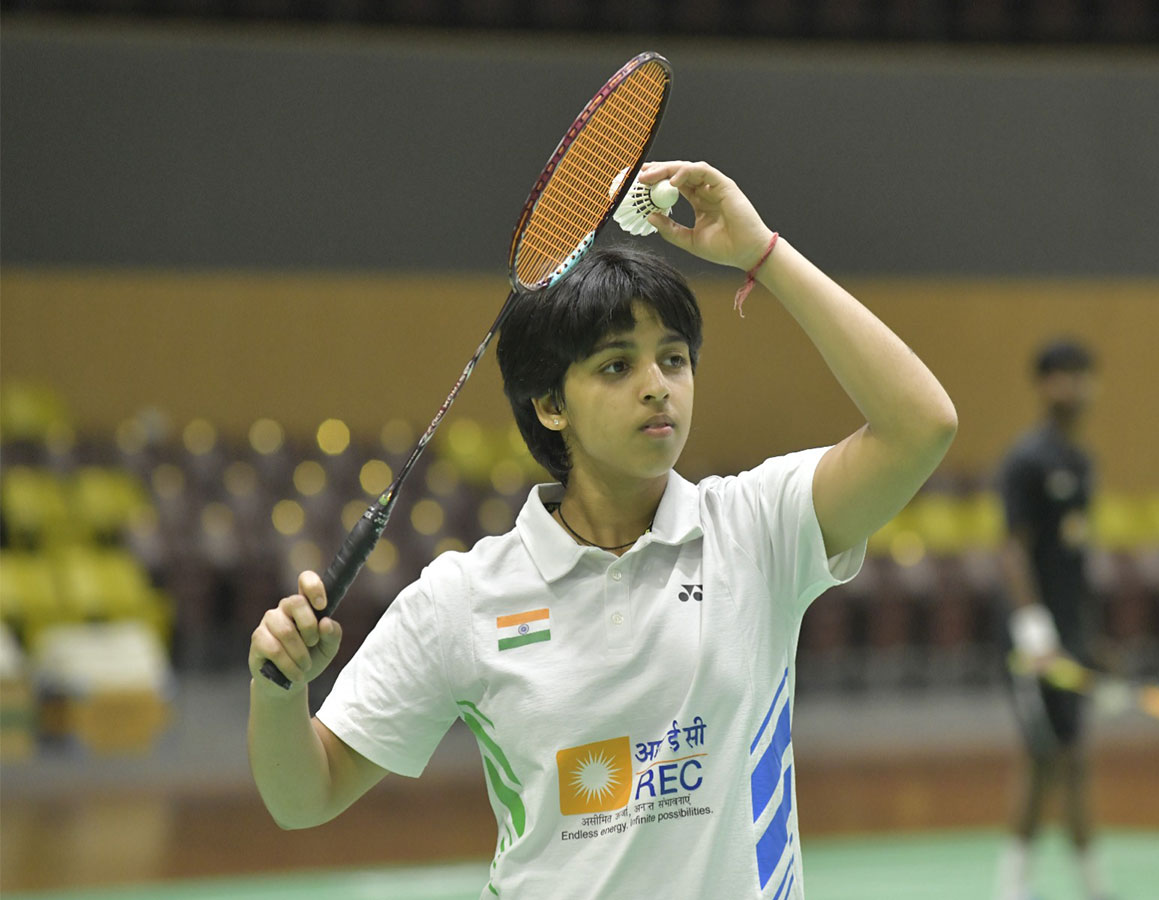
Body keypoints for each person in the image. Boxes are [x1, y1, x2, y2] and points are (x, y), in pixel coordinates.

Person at [247, 160, 957, 899]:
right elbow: (306, 796)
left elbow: (921, 426)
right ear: (550, 405)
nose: (657, 384)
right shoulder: (465, 597)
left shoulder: (756, 530)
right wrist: (278, 694)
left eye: (674, 359)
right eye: (617, 366)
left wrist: (761, 254)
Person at [993, 339, 1112, 900]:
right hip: (1033, 642)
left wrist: (1094, 635)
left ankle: (1078, 881)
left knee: (1065, 755)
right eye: (1064, 376)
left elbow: (1077, 556)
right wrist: (1034, 630)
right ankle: (1017, 883)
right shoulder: (1027, 461)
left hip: (1073, 635)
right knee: (1051, 756)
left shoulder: (1083, 462)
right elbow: (1014, 550)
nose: (1076, 387)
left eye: (1083, 375)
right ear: (1042, 385)